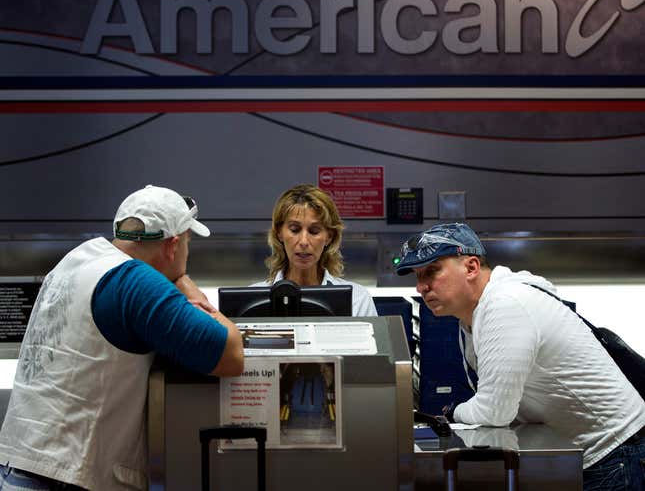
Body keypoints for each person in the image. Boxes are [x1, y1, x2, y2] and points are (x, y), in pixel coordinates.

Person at [0, 185, 244, 491]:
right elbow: (230, 353)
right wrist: (183, 282)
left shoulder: (78, 259)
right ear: (172, 246)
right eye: (188, 244)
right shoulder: (136, 283)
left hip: (18, 466)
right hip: (67, 475)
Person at [396, 222, 645, 491]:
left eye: (432, 272)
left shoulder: (505, 305)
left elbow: (494, 411)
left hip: (616, 454)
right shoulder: (472, 315)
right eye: (418, 276)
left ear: (471, 267)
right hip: (591, 453)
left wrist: (450, 411)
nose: (421, 287)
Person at [254, 184, 377, 317]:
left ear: (329, 236)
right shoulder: (255, 299)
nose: (304, 242)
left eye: (314, 231)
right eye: (295, 230)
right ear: (279, 233)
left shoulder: (357, 300)